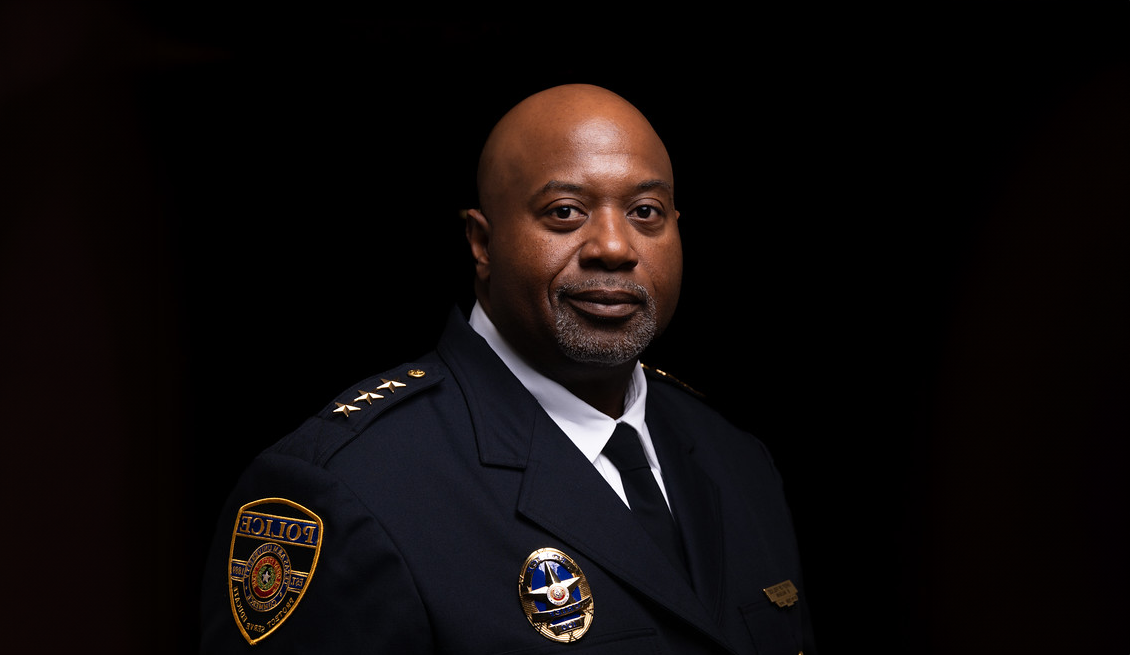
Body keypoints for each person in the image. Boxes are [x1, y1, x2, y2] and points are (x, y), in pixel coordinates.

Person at [200, 83, 816, 654]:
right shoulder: (345, 490)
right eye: (566, 212)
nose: (614, 246)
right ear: (480, 243)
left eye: (646, 212)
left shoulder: (737, 460)